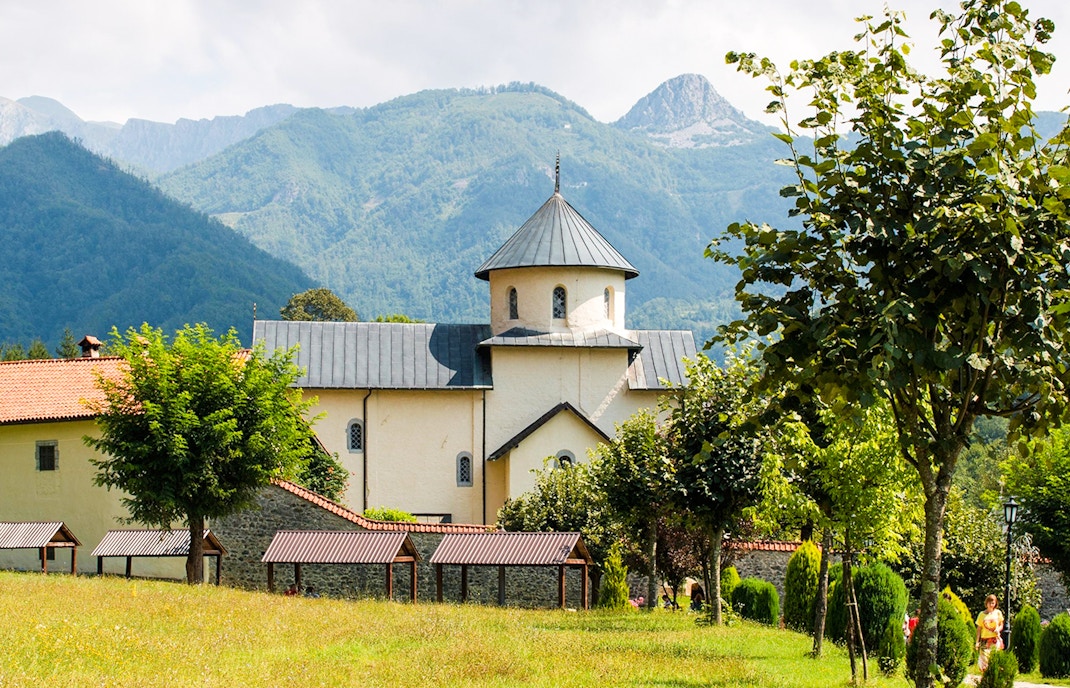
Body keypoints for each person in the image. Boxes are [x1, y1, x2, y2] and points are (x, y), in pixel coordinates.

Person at [974, 594, 1005, 671]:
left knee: (994, 660)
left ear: (995, 604)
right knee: (984, 662)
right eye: (989, 603)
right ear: (986, 603)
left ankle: (994, 676)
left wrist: (998, 629)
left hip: (995, 640)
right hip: (985, 640)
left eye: (993, 603)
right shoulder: (982, 614)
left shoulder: (998, 613)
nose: (991, 605)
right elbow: (979, 629)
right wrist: (977, 642)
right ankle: (986, 677)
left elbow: (1001, 625)